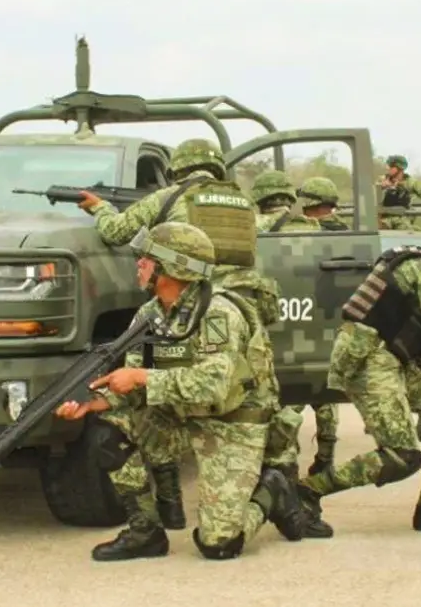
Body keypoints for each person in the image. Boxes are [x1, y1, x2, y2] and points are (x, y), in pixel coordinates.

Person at [53, 222, 302, 561]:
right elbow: (133, 386)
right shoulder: (149, 314)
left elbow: (213, 385)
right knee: (110, 431)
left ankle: (273, 489)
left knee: (218, 544)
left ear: (172, 268)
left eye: (147, 259)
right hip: (180, 418)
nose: (139, 264)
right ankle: (146, 531)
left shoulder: (218, 313)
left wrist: (141, 377)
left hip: (231, 423)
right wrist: (98, 401)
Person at [76, 138, 281, 527]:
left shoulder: (170, 198)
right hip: (235, 303)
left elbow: (117, 231)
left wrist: (99, 207)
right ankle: (164, 513)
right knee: (255, 387)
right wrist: (100, 398)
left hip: (198, 306)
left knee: (223, 394)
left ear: (178, 170)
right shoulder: (244, 204)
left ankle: (242, 491)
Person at [295, 218, 421, 535]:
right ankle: (304, 492)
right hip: (369, 360)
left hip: (385, 357)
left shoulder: (420, 264)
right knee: (402, 456)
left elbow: (412, 344)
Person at [250, 171, 340, 481]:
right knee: (324, 388)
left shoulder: (253, 229)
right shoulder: (318, 231)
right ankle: (326, 455)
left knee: (281, 400)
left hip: (272, 326)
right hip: (317, 322)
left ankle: (280, 464)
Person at [378, 155, 421, 230]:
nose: (388, 168)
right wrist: (380, 187)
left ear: (400, 168)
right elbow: (368, 196)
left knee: (408, 232)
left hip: (402, 217)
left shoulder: (411, 183)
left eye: (391, 166)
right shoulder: (381, 180)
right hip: (383, 218)